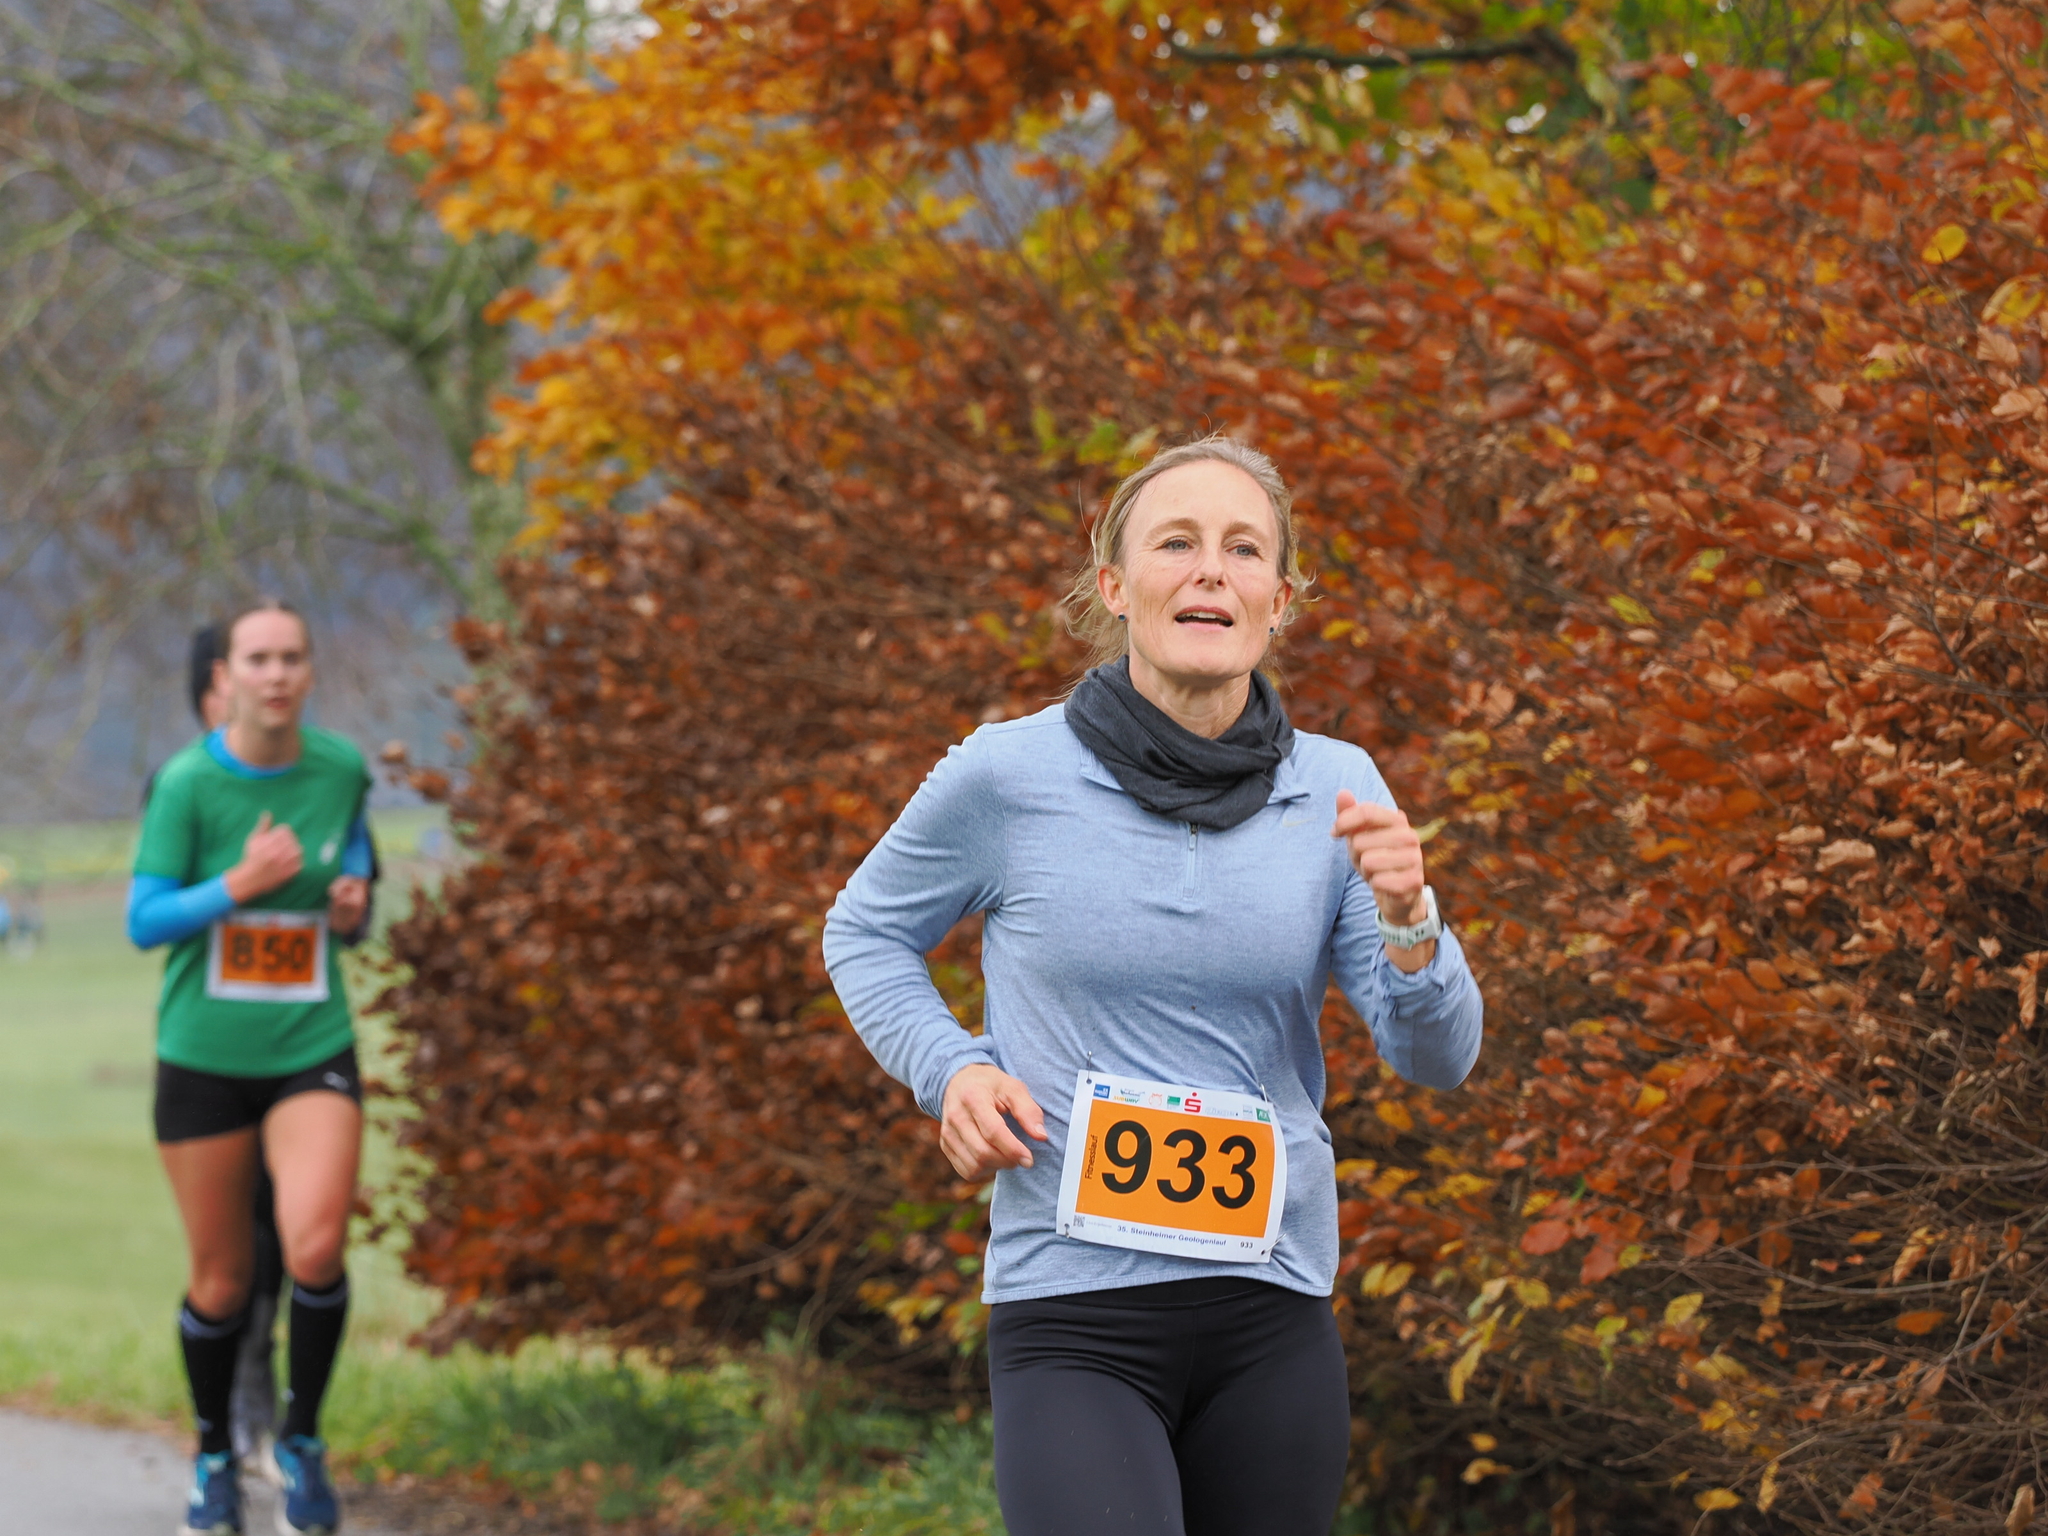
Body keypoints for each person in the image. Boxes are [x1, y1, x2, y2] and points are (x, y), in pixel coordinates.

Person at [824, 436, 1485, 1536]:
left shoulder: (1337, 788)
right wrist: (953, 1071)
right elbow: (864, 931)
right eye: (1175, 543)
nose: (1209, 569)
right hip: (1072, 1312)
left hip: (1271, 1311)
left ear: (1278, 600)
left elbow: (1437, 1058)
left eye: (1243, 549)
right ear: (1115, 586)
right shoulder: (1006, 774)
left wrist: (1412, 919)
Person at [129, 601, 373, 1536]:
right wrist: (240, 883)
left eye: (292, 657)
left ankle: (302, 1443)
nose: (276, 674)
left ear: (311, 671)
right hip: (203, 1057)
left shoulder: (341, 768)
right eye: (258, 659)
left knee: (315, 1246)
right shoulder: (187, 783)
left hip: (311, 1043)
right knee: (223, 1281)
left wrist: (350, 904)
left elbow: (352, 863)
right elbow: (144, 921)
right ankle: (214, 1457)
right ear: (224, 677)